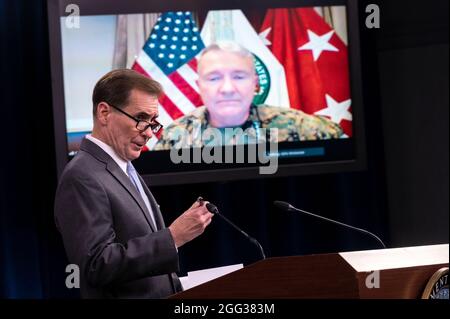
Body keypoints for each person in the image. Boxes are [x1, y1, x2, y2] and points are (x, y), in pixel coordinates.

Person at [54, 69, 214, 298]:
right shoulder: (82, 176)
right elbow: (95, 265)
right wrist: (173, 237)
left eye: (153, 122)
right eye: (140, 119)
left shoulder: (123, 167)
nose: (149, 133)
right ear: (104, 112)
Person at [154, 41, 343, 150]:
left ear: (255, 84)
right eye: (214, 78)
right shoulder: (176, 136)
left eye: (238, 76)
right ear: (200, 87)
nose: (227, 88)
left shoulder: (299, 127)